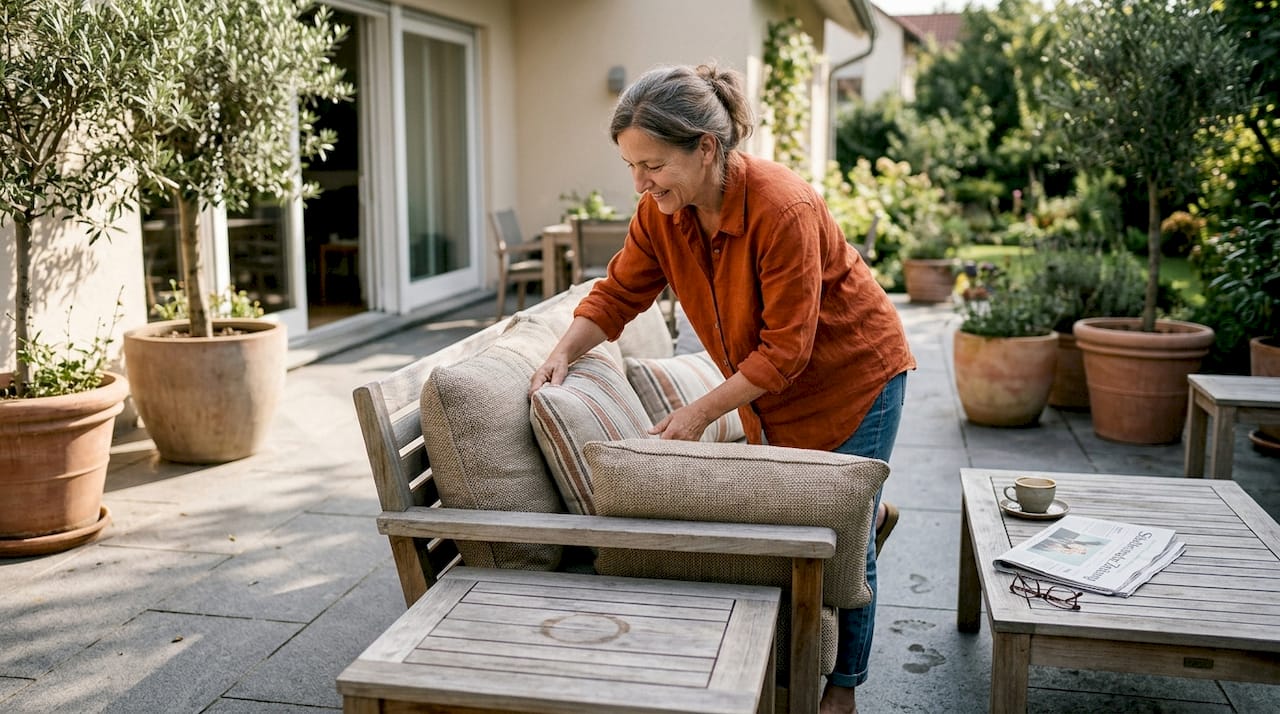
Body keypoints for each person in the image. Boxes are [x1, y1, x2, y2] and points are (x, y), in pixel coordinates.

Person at [528, 63, 916, 714]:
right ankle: (869, 511)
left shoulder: (781, 206)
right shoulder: (663, 214)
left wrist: (698, 414)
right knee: (821, 516)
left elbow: (787, 349)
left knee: (841, 535)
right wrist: (561, 354)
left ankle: (843, 687)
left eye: (651, 164)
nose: (640, 182)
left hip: (856, 377)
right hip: (775, 389)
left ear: (706, 149)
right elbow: (622, 290)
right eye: (630, 166)